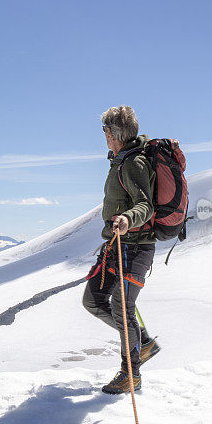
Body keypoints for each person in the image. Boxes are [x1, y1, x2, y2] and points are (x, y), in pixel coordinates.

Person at [82, 105, 160, 394]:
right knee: (93, 299)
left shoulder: (133, 164)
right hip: (117, 246)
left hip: (136, 248)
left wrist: (128, 218)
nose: (103, 134)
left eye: (105, 129)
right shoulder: (120, 161)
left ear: (114, 133)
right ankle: (143, 342)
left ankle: (131, 374)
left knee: (120, 306)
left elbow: (145, 205)